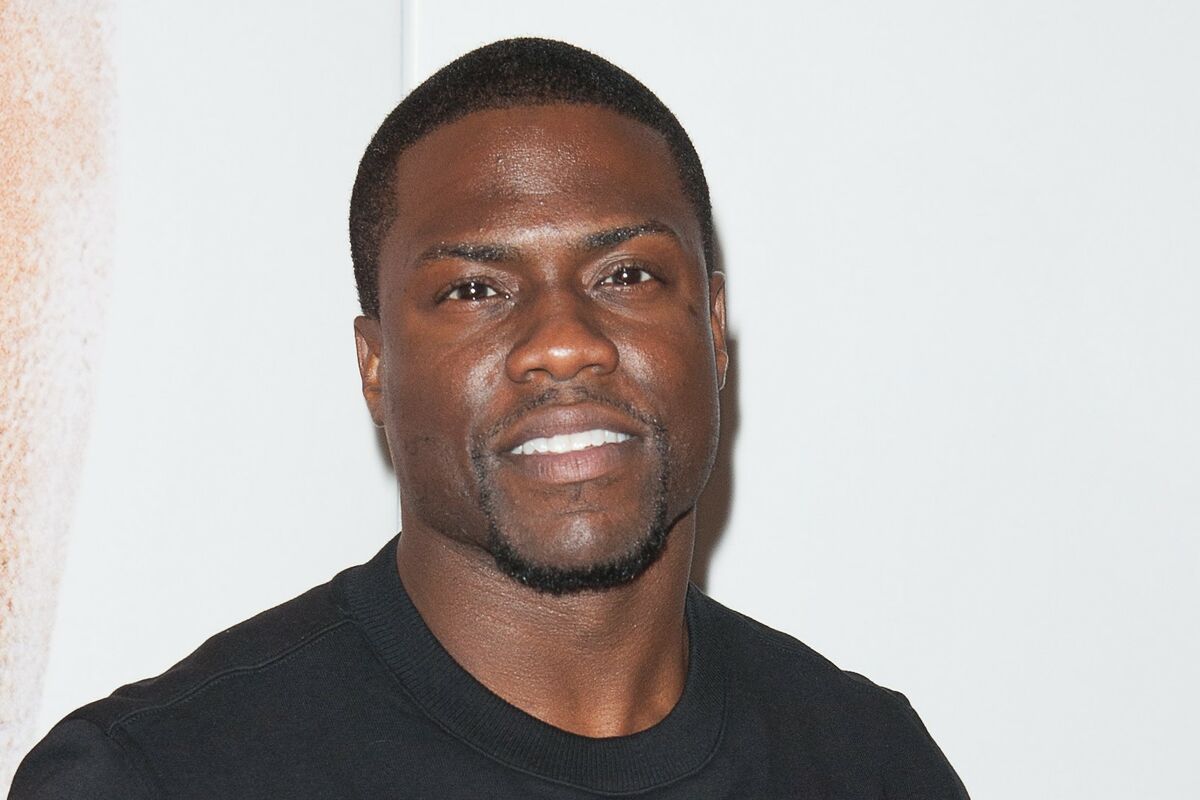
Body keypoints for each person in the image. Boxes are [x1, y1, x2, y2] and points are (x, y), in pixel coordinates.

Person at [11, 38, 969, 799]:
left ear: (712, 330)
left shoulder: (867, 763)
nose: (565, 342)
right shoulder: (156, 777)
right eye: (475, 289)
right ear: (376, 367)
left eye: (627, 275)